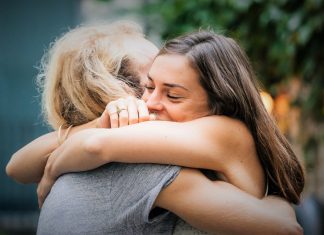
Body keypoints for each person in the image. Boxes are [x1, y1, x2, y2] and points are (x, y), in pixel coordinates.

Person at [6, 22, 303, 235]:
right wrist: (99, 124)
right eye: (148, 85)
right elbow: (17, 167)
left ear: (219, 100)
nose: (150, 101)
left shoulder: (217, 132)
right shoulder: (145, 156)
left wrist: (51, 171)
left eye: (172, 93)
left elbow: (92, 146)